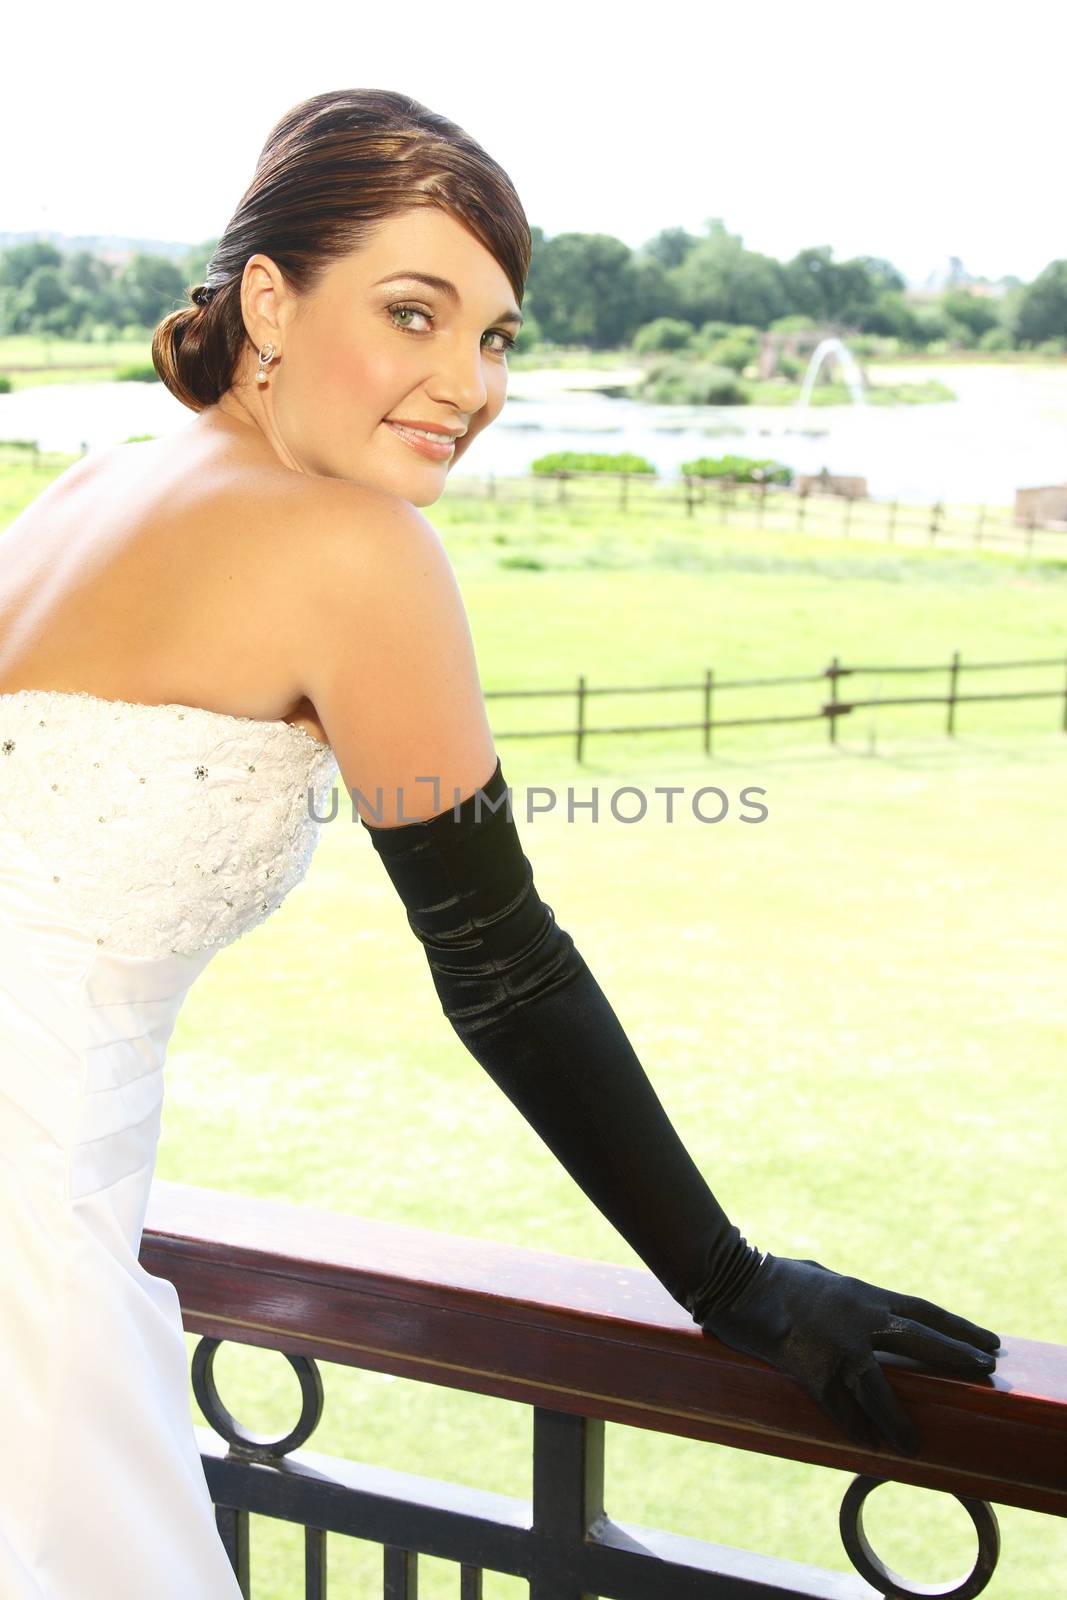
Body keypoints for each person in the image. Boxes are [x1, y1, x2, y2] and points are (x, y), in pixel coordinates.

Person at [0, 88, 1000, 1599]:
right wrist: (736, 1287)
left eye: (498, 336)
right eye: (414, 314)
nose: (466, 383)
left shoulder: (81, 494)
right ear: (268, 300)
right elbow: (502, 963)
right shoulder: (354, 547)